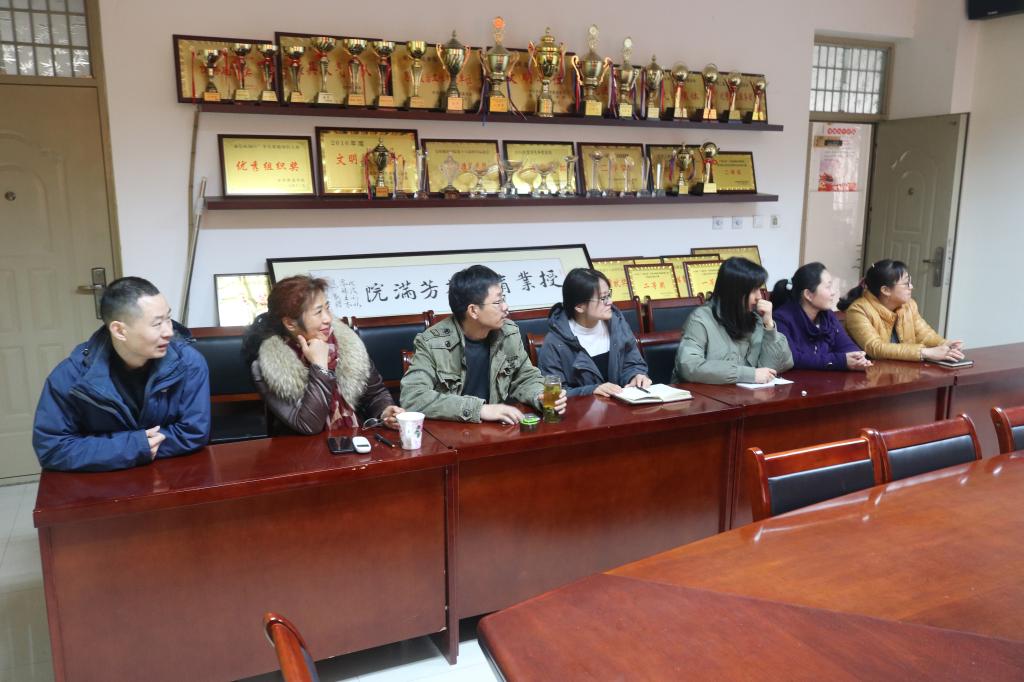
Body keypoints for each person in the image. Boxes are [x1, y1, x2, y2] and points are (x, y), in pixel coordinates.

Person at [32, 277, 210, 471]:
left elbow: (194, 432)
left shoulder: (187, 363)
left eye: (168, 318)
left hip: (168, 475)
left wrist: (103, 447)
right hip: (99, 481)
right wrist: (134, 446)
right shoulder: (71, 376)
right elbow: (53, 448)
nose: (169, 332)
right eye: (157, 323)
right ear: (119, 331)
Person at [400, 265, 567, 424]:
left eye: (503, 299)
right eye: (497, 302)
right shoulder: (432, 342)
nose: (505, 307)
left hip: (496, 431)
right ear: (473, 310)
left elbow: (525, 377)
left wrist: (540, 395)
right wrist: (479, 410)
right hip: (452, 432)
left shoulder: (508, 333)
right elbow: (413, 397)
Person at [243, 275, 403, 434]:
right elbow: (308, 425)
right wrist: (320, 367)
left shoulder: (347, 344)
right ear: (290, 323)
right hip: (302, 448)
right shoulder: (269, 366)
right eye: (318, 312)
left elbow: (376, 394)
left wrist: (385, 412)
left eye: (327, 308)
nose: (328, 318)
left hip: (354, 439)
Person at [673, 257, 794, 384]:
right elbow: (689, 366)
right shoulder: (701, 319)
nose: (759, 297)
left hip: (741, 393)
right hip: (702, 393)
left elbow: (773, 368)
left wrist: (769, 326)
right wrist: (747, 374)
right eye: (754, 290)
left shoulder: (756, 319)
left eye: (760, 289)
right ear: (735, 292)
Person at [537, 268, 651, 396]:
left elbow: (633, 363)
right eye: (603, 298)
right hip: (583, 408)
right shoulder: (554, 343)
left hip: (621, 405)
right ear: (579, 306)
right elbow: (553, 394)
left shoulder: (617, 324)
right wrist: (591, 390)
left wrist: (636, 376)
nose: (610, 302)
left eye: (609, 295)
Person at [838, 259, 965, 362]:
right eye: (906, 283)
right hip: (871, 373)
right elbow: (874, 348)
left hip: (903, 371)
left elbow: (924, 334)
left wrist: (946, 344)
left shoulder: (909, 305)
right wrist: (924, 352)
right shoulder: (858, 310)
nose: (911, 287)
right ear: (885, 290)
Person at [771, 262, 872, 371]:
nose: (833, 292)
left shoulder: (827, 315)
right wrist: (841, 361)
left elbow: (846, 345)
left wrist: (858, 357)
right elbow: (792, 358)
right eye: (828, 287)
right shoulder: (782, 319)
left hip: (826, 379)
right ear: (808, 295)